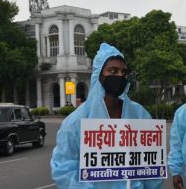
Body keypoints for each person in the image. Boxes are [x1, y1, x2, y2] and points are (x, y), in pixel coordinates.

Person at [50, 43, 163, 189]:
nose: (120, 76)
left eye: (123, 72)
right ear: (99, 75)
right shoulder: (76, 122)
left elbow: (151, 166)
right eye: (113, 71)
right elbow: (64, 168)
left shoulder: (140, 115)